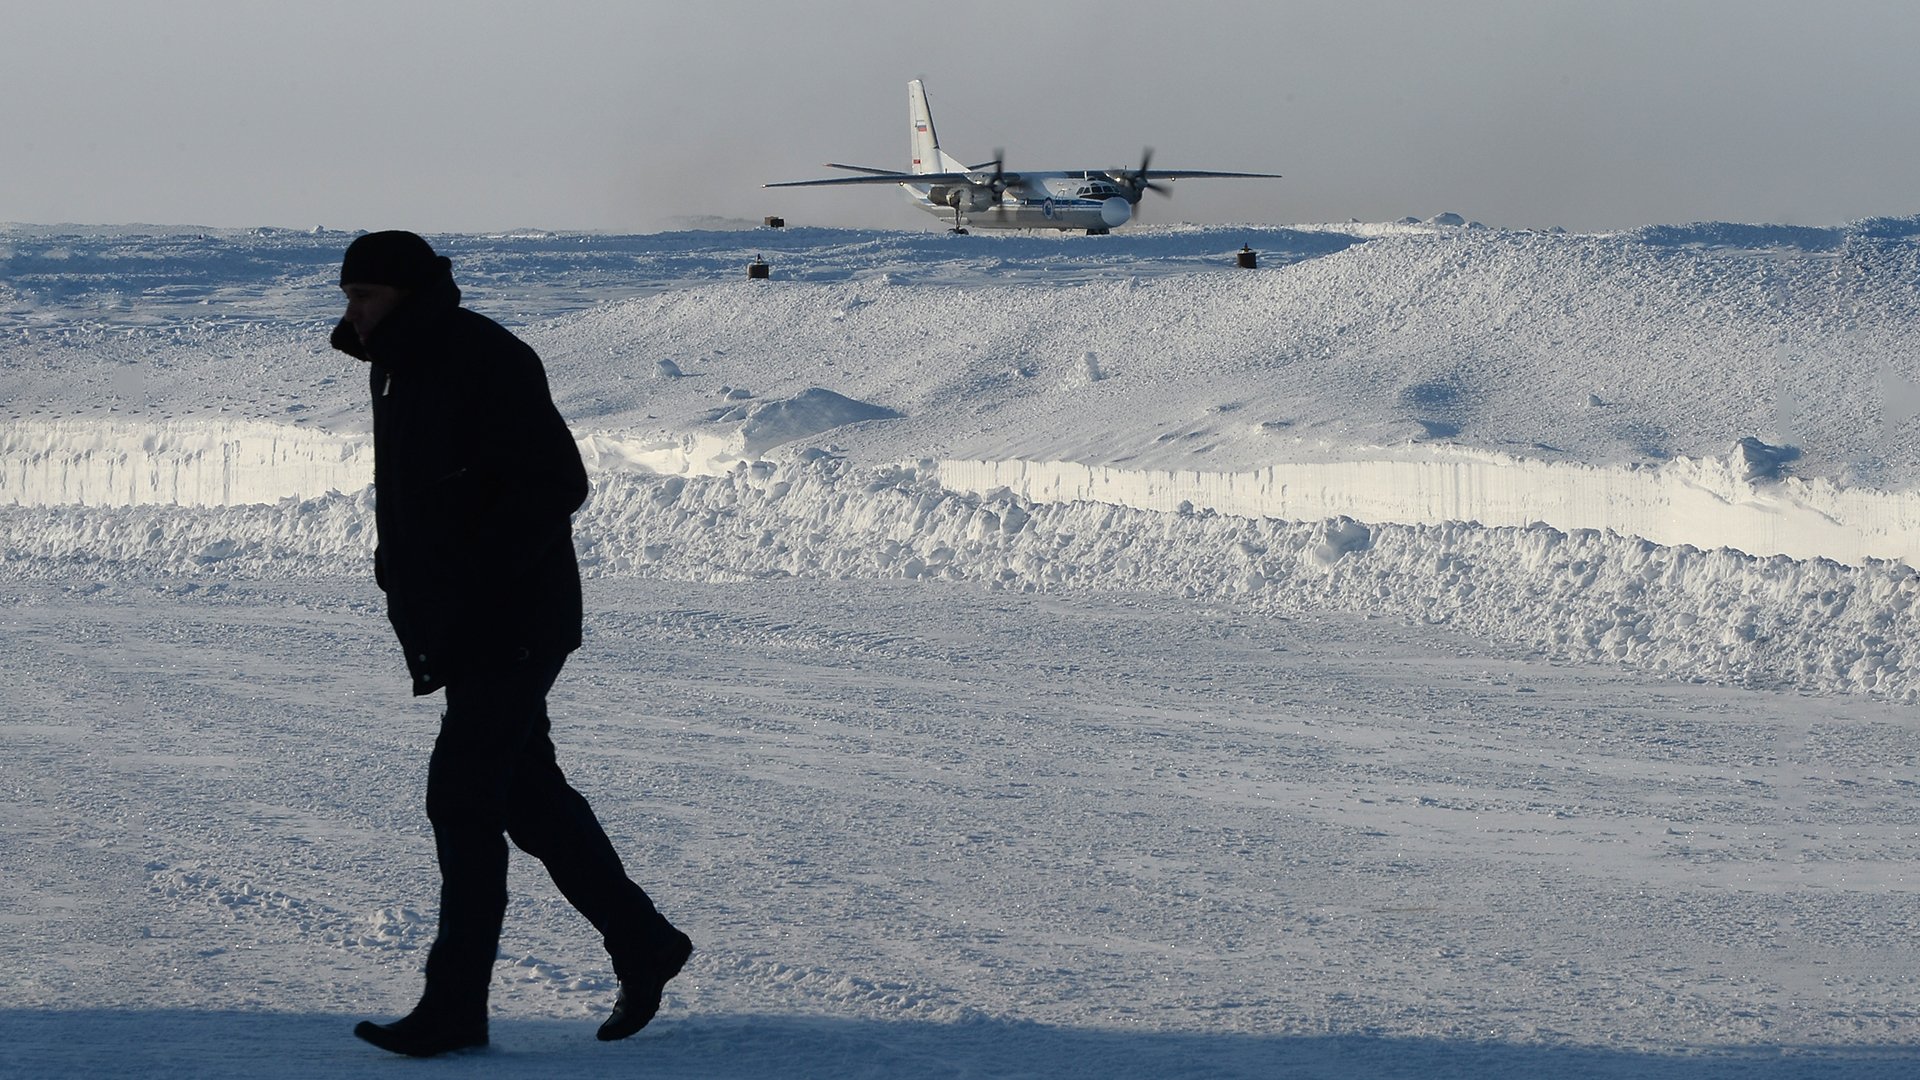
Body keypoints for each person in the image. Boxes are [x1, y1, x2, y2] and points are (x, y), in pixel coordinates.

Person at [331, 231, 691, 1057]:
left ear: (410, 295)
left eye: (366, 297)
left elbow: (555, 482)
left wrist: (475, 579)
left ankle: (455, 1004)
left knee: (462, 798)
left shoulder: (485, 358)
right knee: (526, 796)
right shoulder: (402, 361)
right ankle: (644, 941)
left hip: (511, 621)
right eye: (347, 295)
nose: (351, 312)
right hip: (466, 621)